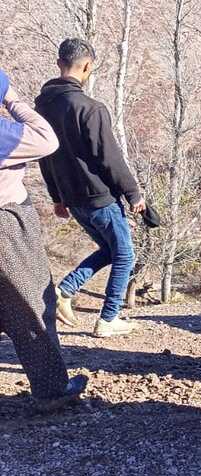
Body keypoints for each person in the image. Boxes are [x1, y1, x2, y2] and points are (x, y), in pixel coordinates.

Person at [35, 38, 145, 338]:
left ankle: (65, 291)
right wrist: (133, 192)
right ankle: (108, 319)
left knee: (110, 250)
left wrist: (57, 197)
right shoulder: (90, 108)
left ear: (59, 64)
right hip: (99, 196)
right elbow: (109, 157)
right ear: (87, 67)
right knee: (124, 255)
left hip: (71, 197)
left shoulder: (41, 107)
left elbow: (44, 156)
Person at [0, 68, 88, 411]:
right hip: (7, 223)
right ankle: (52, 389)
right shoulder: (3, 134)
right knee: (33, 304)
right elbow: (46, 139)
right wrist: (11, 98)